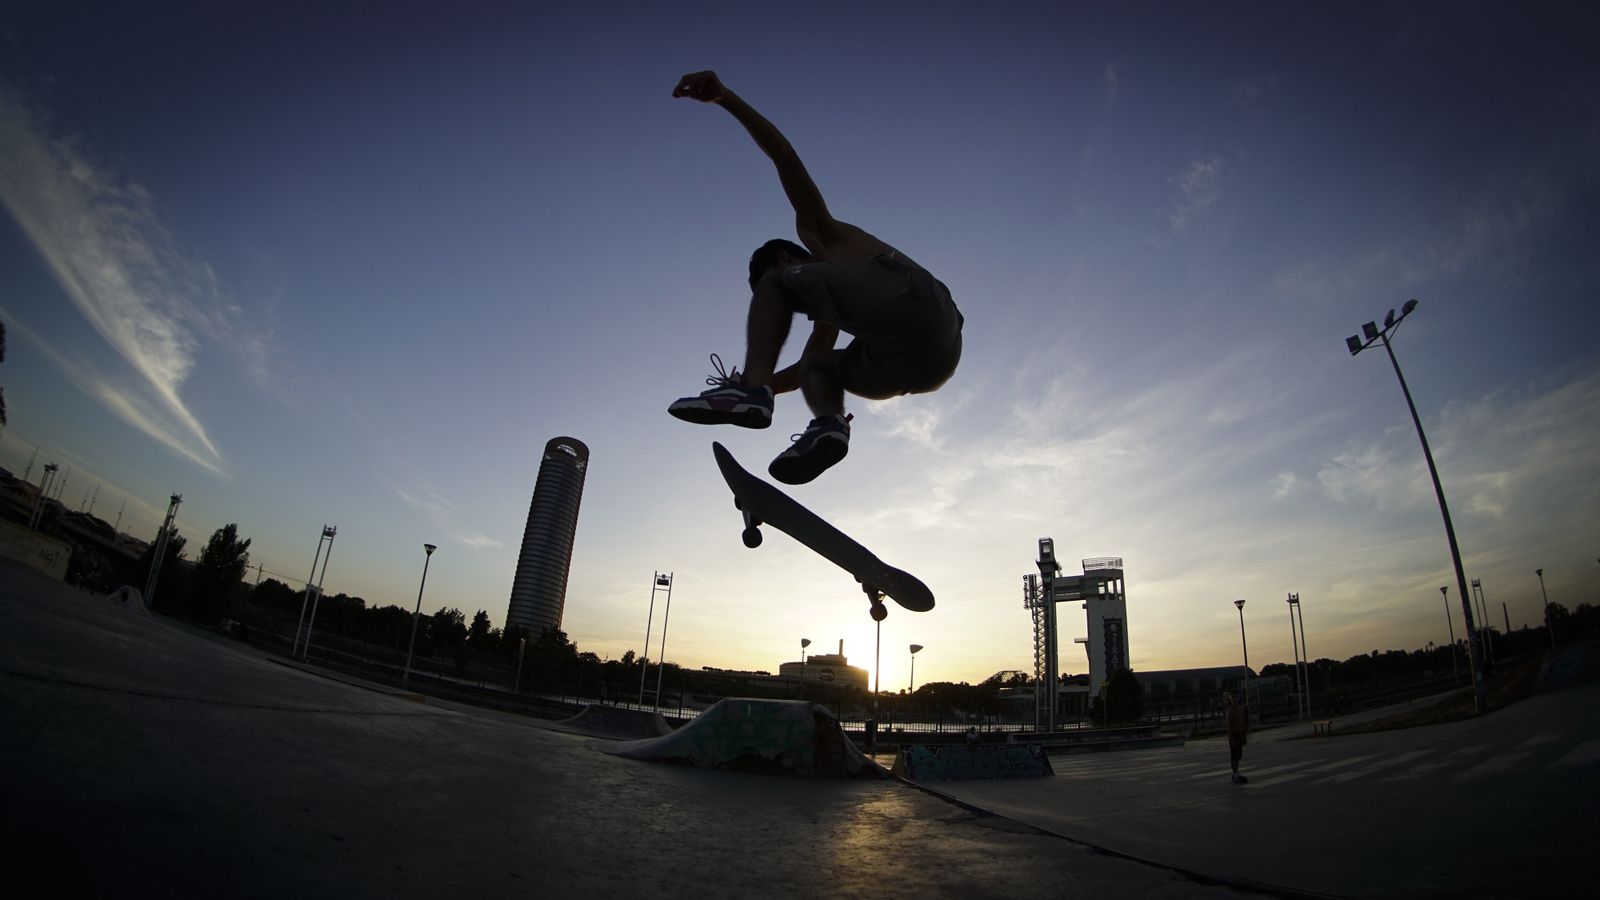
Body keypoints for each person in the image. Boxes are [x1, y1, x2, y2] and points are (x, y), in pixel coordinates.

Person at [666, 71, 965, 485]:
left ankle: (749, 390)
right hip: (930, 364)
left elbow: (785, 158)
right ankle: (829, 426)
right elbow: (808, 367)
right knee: (816, 365)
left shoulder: (818, 235)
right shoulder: (835, 305)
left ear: (787, 256)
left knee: (778, 286)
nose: (791, 310)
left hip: (915, 298)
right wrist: (770, 385)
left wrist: (726, 99)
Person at [1224, 690, 1249, 784]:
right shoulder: (1230, 711)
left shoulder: (1240, 709)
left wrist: (1244, 736)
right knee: (1234, 756)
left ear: (1238, 697)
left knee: (1238, 756)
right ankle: (1234, 774)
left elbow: (1242, 723)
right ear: (1230, 699)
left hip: (1239, 734)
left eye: (1236, 697)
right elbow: (1229, 727)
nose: (1234, 699)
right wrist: (1231, 739)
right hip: (1234, 735)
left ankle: (1237, 773)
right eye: (1233, 697)